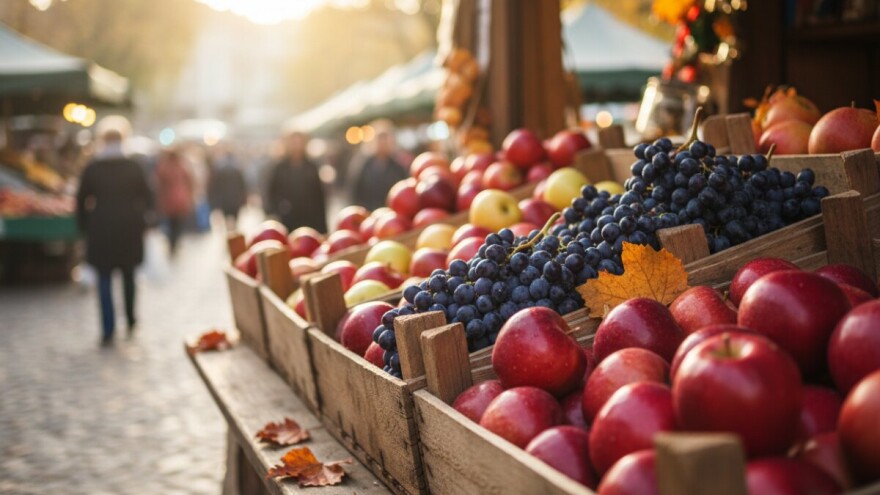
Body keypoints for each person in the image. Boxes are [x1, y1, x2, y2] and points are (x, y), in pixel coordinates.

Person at [76, 119, 150, 346]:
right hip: (129, 227)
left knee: (105, 279)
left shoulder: (93, 167)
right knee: (128, 277)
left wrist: (85, 226)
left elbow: (80, 200)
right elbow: (147, 196)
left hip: (101, 229)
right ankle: (130, 319)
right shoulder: (133, 167)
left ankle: (108, 327)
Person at [264, 131, 327, 232]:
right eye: (293, 142)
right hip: (286, 220)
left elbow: (319, 197)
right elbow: (271, 194)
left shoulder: (312, 167)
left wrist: (323, 228)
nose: (296, 146)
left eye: (299, 142)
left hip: (310, 221)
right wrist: (274, 214)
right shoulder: (279, 168)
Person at [348, 125, 409, 211]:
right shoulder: (363, 165)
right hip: (369, 214)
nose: (383, 142)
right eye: (380, 138)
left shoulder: (398, 167)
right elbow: (355, 192)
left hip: (391, 215)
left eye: (385, 138)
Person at [154, 149, 194, 255]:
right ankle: (174, 242)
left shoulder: (164, 167)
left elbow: (158, 185)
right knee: (178, 224)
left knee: (170, 224)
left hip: (168, 200)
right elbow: (190, 182)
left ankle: (172, 242)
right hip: (181, 199)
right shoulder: (182, 167)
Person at [208, 146, 247, 231]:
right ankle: (233, 234)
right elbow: (243, 185)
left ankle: (229, 235)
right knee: (235, 220)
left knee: (226, 219)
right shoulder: (238, 169)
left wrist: (215, 202)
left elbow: (215, 186)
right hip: (236, 199)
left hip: (224, 199)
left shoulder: (220, 169)